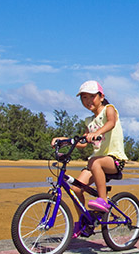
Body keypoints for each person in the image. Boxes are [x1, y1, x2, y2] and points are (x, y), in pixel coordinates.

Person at [52, 80, 128, 238]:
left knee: (95, 161)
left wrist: (98, 132)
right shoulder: (89, 121)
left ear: (101, 96)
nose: (87, 101)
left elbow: (111, 123)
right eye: (84, 98)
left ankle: (103, 199)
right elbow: (82, 142)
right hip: (95, 163)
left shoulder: (109, 109)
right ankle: (85, 220)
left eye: (91, 97)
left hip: (114, 159)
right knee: (76, 188)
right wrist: (64, 140)